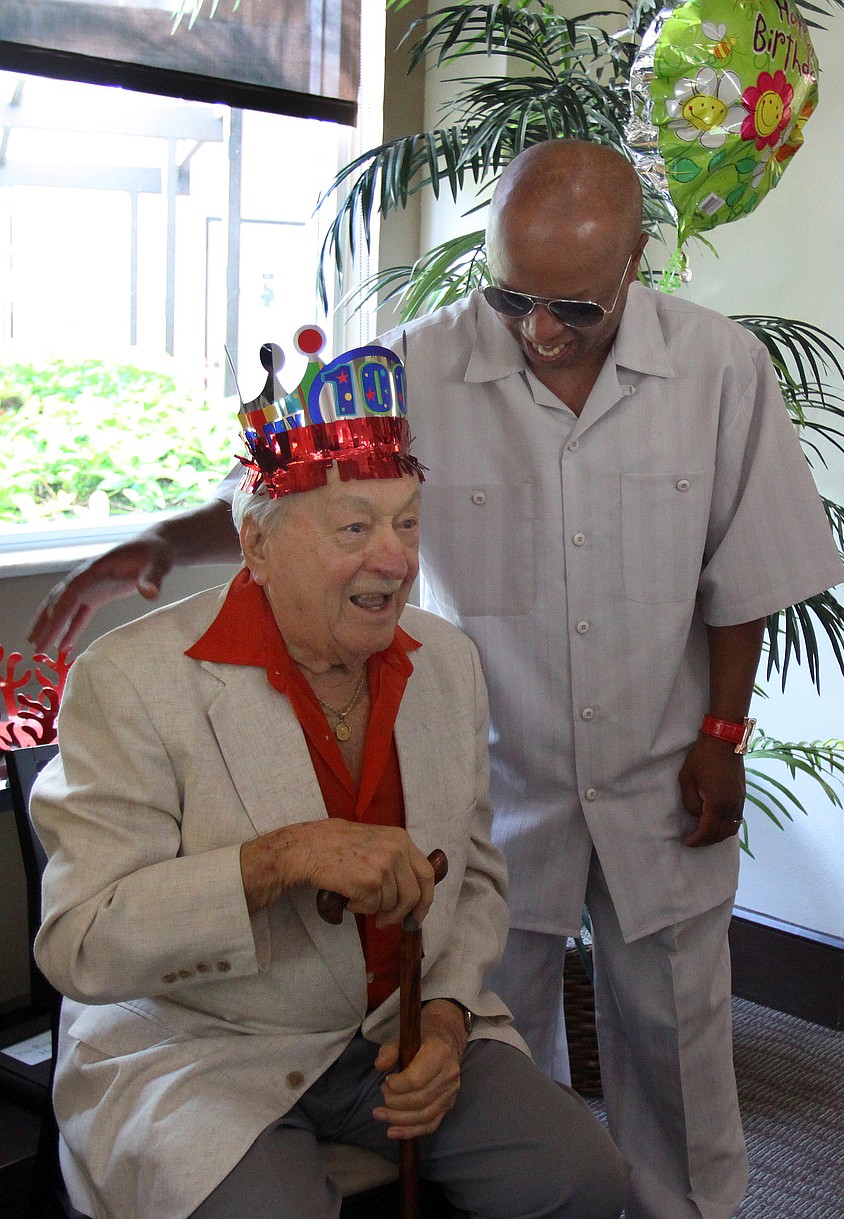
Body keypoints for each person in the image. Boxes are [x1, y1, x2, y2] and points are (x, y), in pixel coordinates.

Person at [29, 141, 844, 1219]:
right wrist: (155, 545)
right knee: (490, 1032)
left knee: (678, 1035)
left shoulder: (718, 368)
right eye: (511, 296)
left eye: (575, 308)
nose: (540, 331)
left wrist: (723, 733)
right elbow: (294, 480)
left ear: (637, 261)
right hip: (506, 771)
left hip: (662, 761)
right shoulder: (419, 360)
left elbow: (744, 567)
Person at [29, 343, 629, 1219]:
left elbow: (476, 875)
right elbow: (79, 942)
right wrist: (282, 858)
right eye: (354, 528)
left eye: (409, 522)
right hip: (203, 1046)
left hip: (397, 1030)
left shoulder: (447, 664)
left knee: (582, 1176)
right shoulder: (133, 679)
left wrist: (452, 1019)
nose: (394, 561)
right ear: (257, 544)